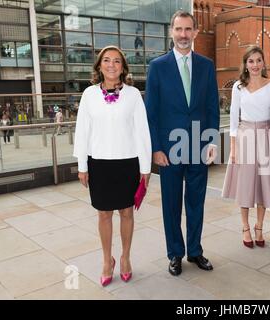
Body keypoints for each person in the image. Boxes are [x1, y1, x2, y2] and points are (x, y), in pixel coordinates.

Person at [145, 10, 219, 276]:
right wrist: (155, 148)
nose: (183, 35)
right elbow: (151, 112)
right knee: (172, 204)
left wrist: (212, 140)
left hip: (198, 145)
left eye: (188, 29)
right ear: (171, 32)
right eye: (179, 29)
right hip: (169, 149)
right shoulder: (158, 67)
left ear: (195, 32)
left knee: (196, 202)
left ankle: (195, 251)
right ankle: (175, 253)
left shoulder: (206, 65)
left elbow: (212, 107)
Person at [73, 45, 152, 286]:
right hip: (99, 164)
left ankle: (125, 257)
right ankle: (107, 260)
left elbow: (142, 131)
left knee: (126, 213)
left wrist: (145, 168)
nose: (111, 65)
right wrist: (82, 165)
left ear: (122, 67)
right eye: (106, 60)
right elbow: (82, 131)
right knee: (104, 214)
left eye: (116, 61)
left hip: (128, 163)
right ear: (99, 66)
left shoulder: (133, 95)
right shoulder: (88, 95)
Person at [222, 46, 270, 248]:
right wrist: (233, 148)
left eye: (259, 60)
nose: (255, 65)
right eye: (251, 61)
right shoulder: (238, 87)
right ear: (246, 64)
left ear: (263, 63)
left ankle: (259, 226)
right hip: (245, 137)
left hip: (266, 137)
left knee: (263, 185)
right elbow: (233, 119)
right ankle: (245, 227)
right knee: (246, 186)